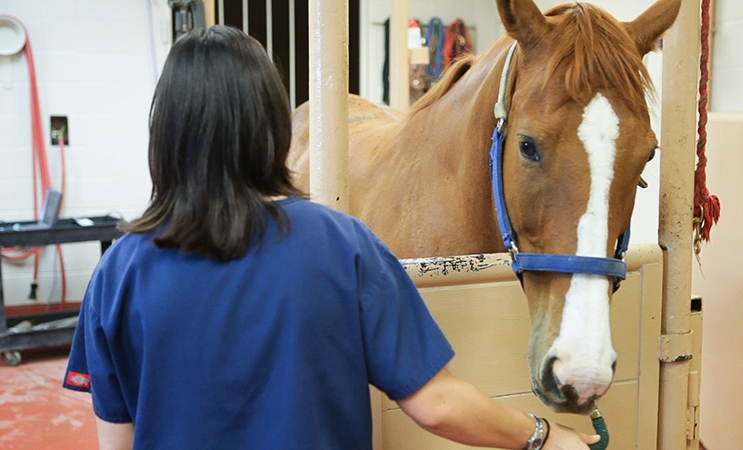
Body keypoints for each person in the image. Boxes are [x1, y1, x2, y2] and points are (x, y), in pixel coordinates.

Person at [62, 25, 600, 450]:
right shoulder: (345, 246)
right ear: (272, 126)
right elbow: (436, 403)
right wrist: (544, 435)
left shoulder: (118, 272)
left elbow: (119, 440)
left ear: (166, 136)